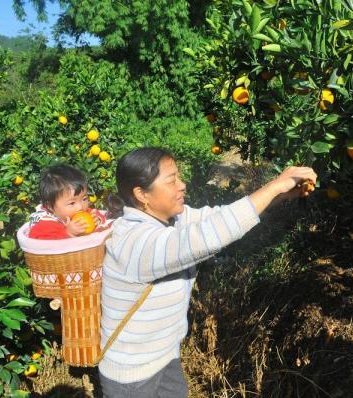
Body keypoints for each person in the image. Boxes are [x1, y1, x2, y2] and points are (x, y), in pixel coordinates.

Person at [99, 147, 317, 397]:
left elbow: (220, 217)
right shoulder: (133, 242)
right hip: (132, 377)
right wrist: (274, 186)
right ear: (141, 194)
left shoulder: (172, 220)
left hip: (165, 357)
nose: (182, 185)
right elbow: (209, 235)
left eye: (179, 177)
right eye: (172, 180)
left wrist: (278, 196)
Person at [28, 163, 106, 240]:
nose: (80, 207)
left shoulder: (82, 212)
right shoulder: (46, 224)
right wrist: (68, 233)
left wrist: (97, 219)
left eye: (84, 199)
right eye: (72, 203)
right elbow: (41, 245)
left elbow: (97, 213)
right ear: (50, 207)